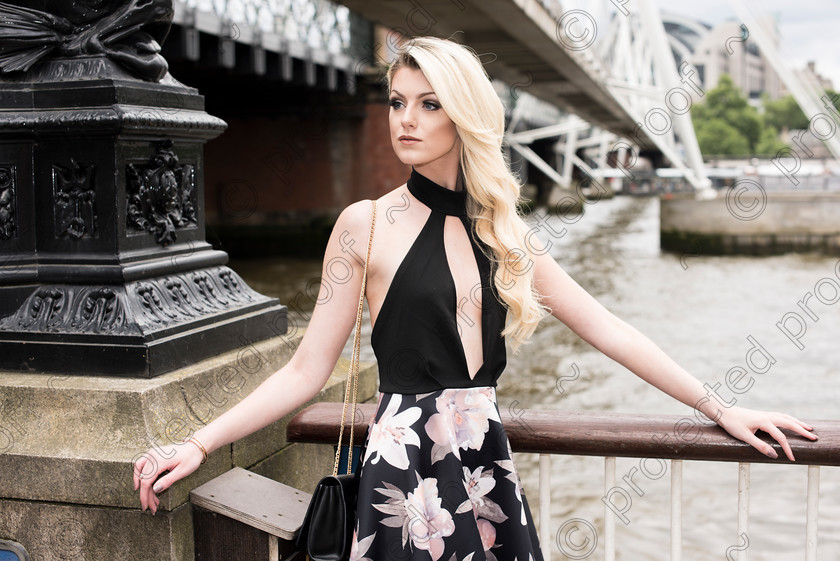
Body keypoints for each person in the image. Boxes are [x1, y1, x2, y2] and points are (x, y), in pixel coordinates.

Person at [134, 36, 817, 560]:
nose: (406, 119)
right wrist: (199, 441)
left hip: (486, 464)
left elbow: (607, 328)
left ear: (464, 115)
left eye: (429, 103)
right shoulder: (364, 224)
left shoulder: (506, 232)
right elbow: (306, 369)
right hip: (404, 477)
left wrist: (721, 406)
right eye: (398, 101)